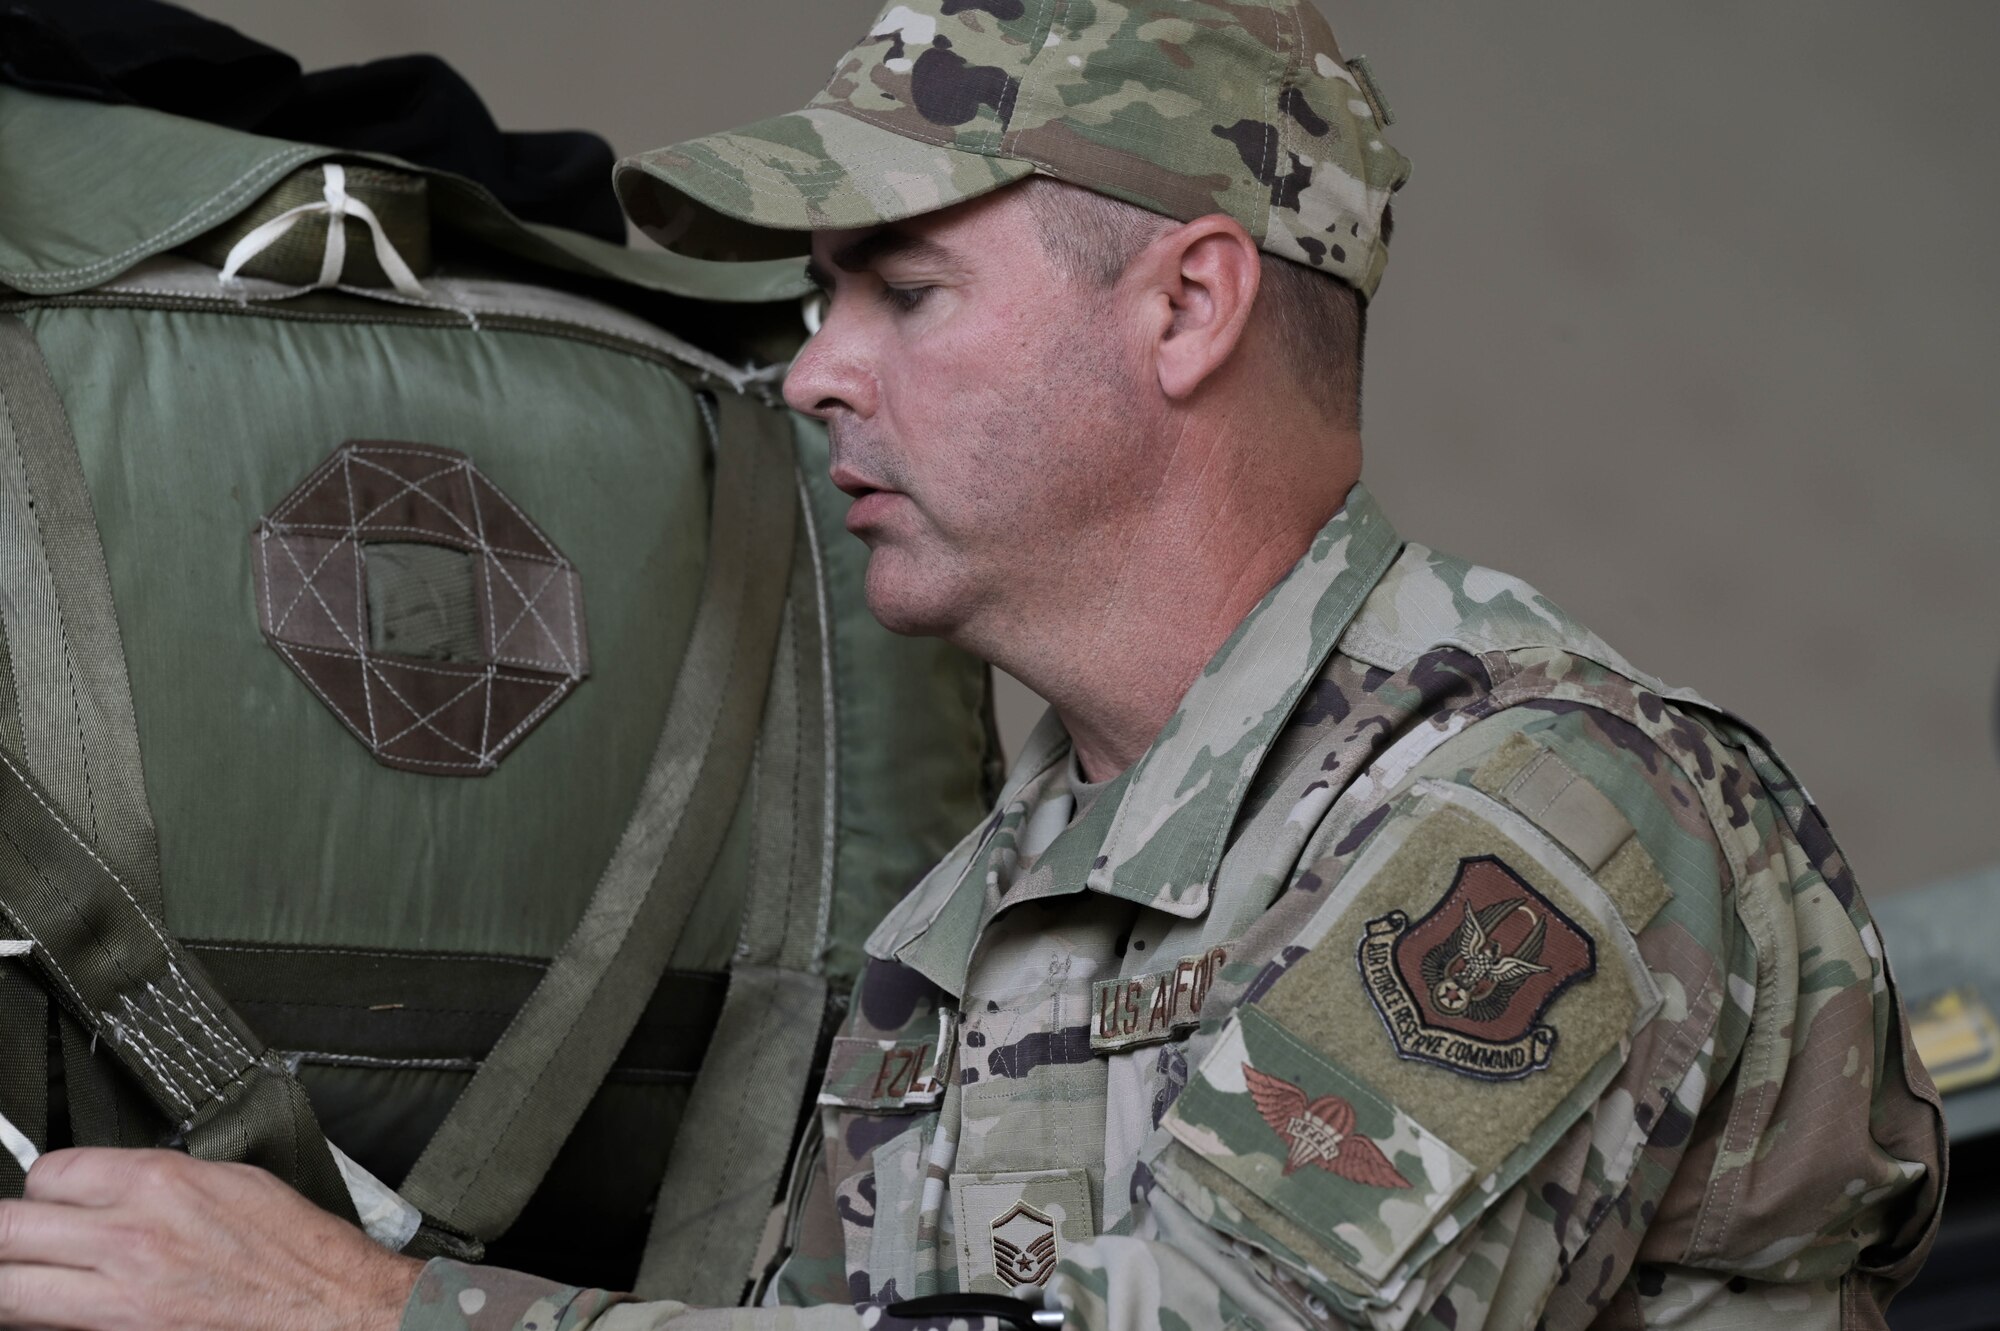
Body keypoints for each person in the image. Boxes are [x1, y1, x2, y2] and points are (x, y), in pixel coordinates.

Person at [0, 1, 1944, 1328]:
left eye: (902, 289)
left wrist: (377, 1309)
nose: (814, 363)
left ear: (1187, 305)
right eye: (821, 294)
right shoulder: (983, 903)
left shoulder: (1531, 817)